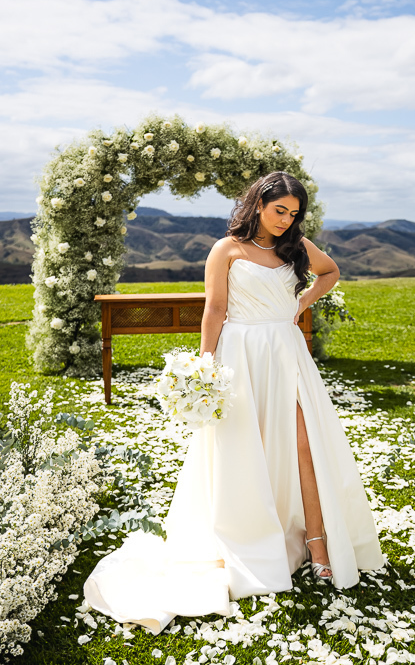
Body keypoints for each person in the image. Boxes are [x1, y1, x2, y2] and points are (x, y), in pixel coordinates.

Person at [84, 171, 383, 634]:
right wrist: (205, 366)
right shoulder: (226, 249)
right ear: (258, 204)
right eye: (279, 210)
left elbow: (331, 272)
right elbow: (215, 309)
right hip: (240, 356)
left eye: (294, 214)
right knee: (249, 447)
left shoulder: (296, 249)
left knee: (305, 446)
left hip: (286, 353)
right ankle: (252, 534)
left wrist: (300, 303)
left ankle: (319, 545)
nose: (286, 220)